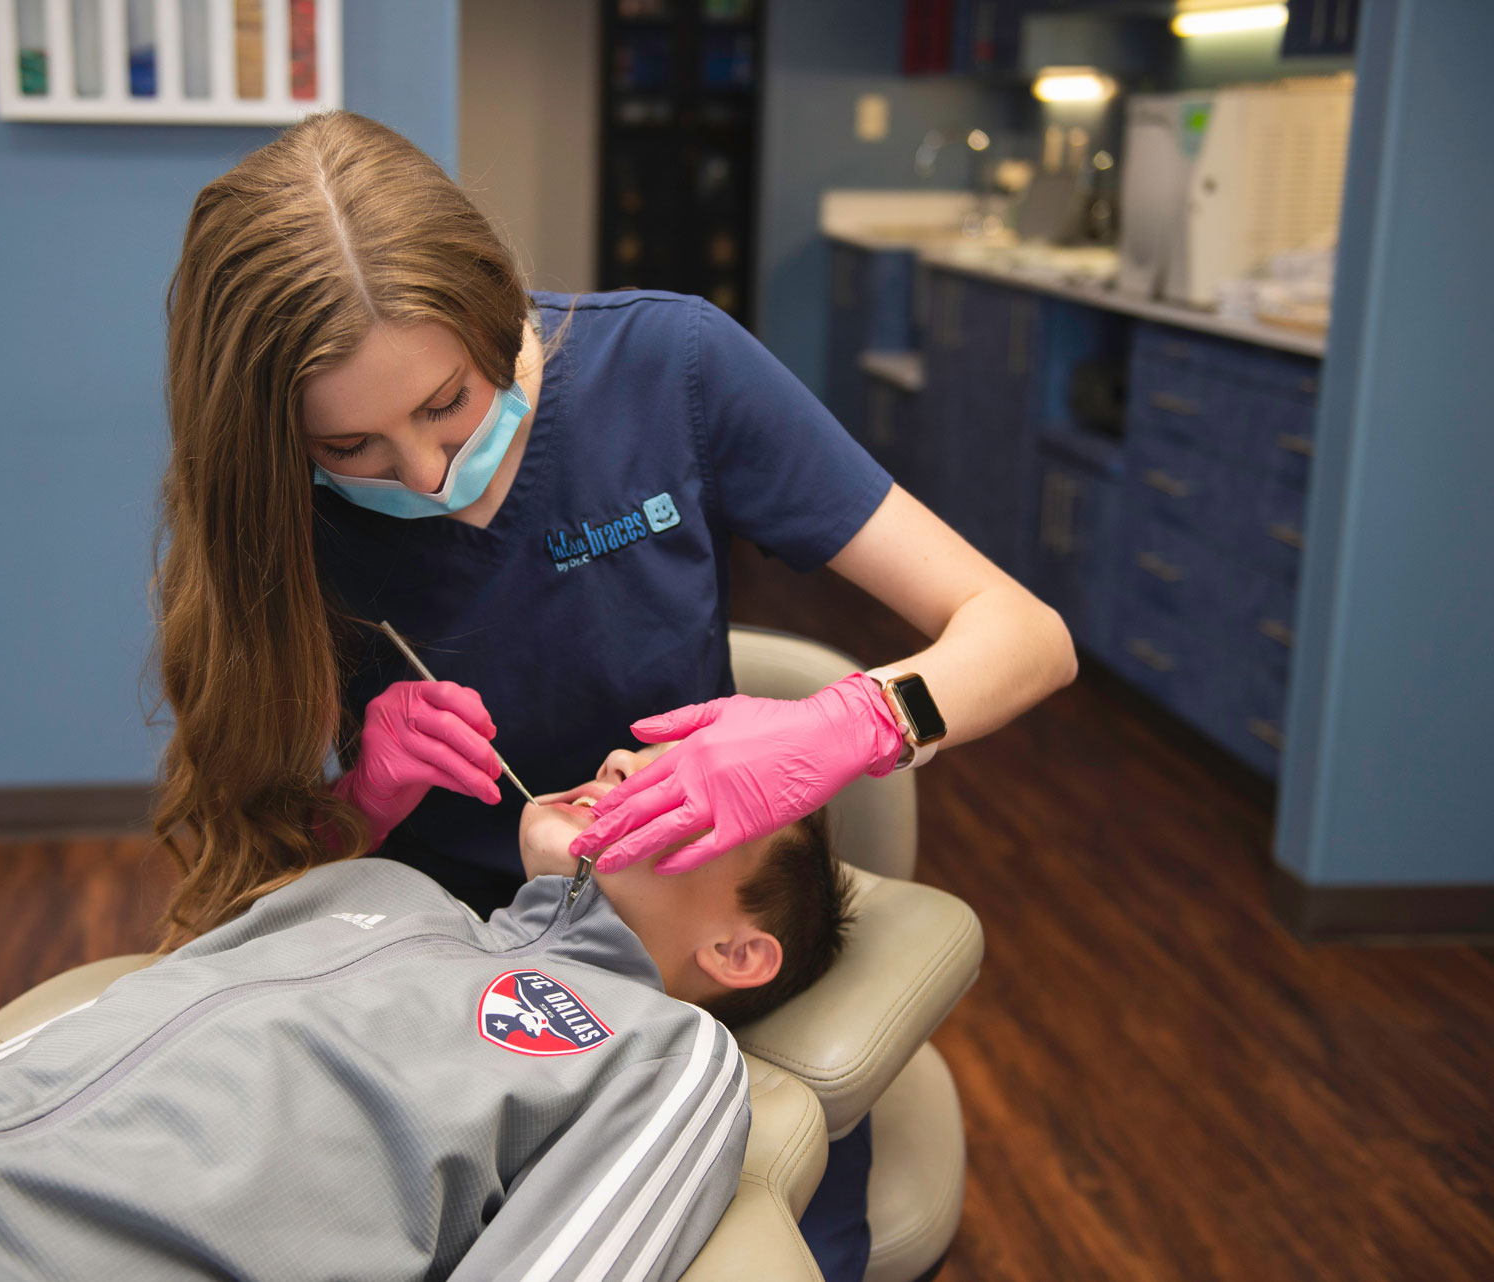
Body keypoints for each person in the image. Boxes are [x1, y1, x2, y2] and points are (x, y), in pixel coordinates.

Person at [153, 109, 1076, 1278]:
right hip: (434, 982)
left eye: (448, 404)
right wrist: (365, 797)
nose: (429, 475)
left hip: (658, 983)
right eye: (355, 451)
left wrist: (855, 720)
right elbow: (246, 882)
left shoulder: (669, 371)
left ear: (493, 308)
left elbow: (1026, 637)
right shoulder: (267, 515)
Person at [0, 750, 845, 1282]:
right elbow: (32, 1063)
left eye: (695, 792)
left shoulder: (663, 1053)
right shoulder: (378, 889)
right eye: (644, 749)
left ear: (740, 947)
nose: (629, 765)